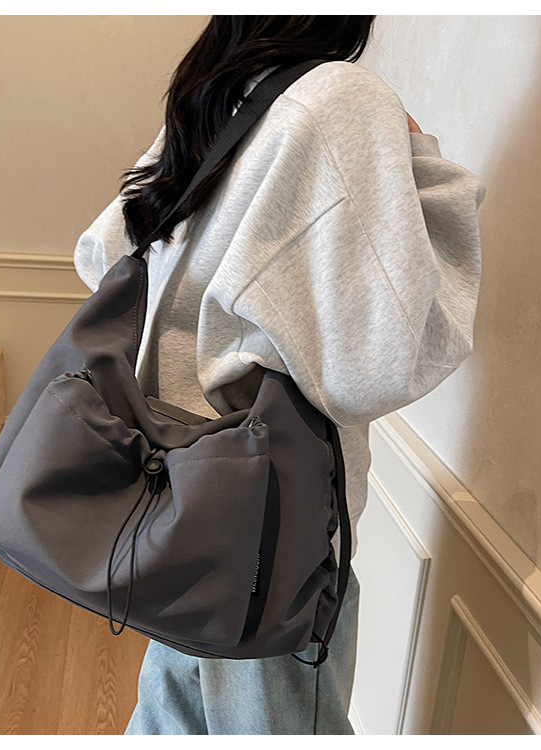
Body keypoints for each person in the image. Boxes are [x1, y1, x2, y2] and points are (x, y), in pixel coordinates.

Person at [72, 16, 486, 735]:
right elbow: (388, 358)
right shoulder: (341, 98)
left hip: (175, 497)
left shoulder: (219, 93)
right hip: (272, 523)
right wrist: (425, 162)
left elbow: (103, 253)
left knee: (173, 715)